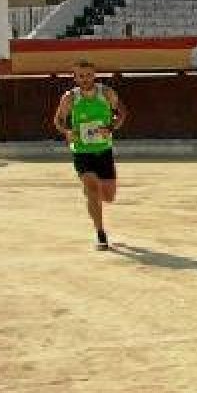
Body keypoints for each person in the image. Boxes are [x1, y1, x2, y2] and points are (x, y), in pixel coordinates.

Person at [52, 60, 129, 251]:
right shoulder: (70, 98)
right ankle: (100, 233)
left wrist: (110, 127)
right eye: (81, 76)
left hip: (104, 149)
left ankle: (94, 197)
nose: (85, 79)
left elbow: (122, 113)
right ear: (75, 78)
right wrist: (67, 132)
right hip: (81, 151)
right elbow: (58, 121)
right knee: (92, 191)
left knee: (109, 196)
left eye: (88, 75)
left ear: (94, 75)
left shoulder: (106, 93)